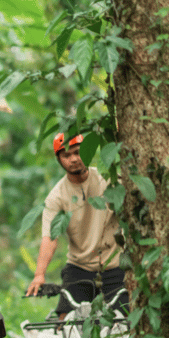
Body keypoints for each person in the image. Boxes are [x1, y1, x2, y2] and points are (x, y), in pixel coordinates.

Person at [25, 133, 128, 317]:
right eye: (66, 155)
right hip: (80, 267)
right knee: (66, 321)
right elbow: (50, 237)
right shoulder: (57, 197)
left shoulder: (109, 180)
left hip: (115, 264)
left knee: (127, 320)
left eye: (77, 152)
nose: (73, 159)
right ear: (59, 160)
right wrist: (39, 274)